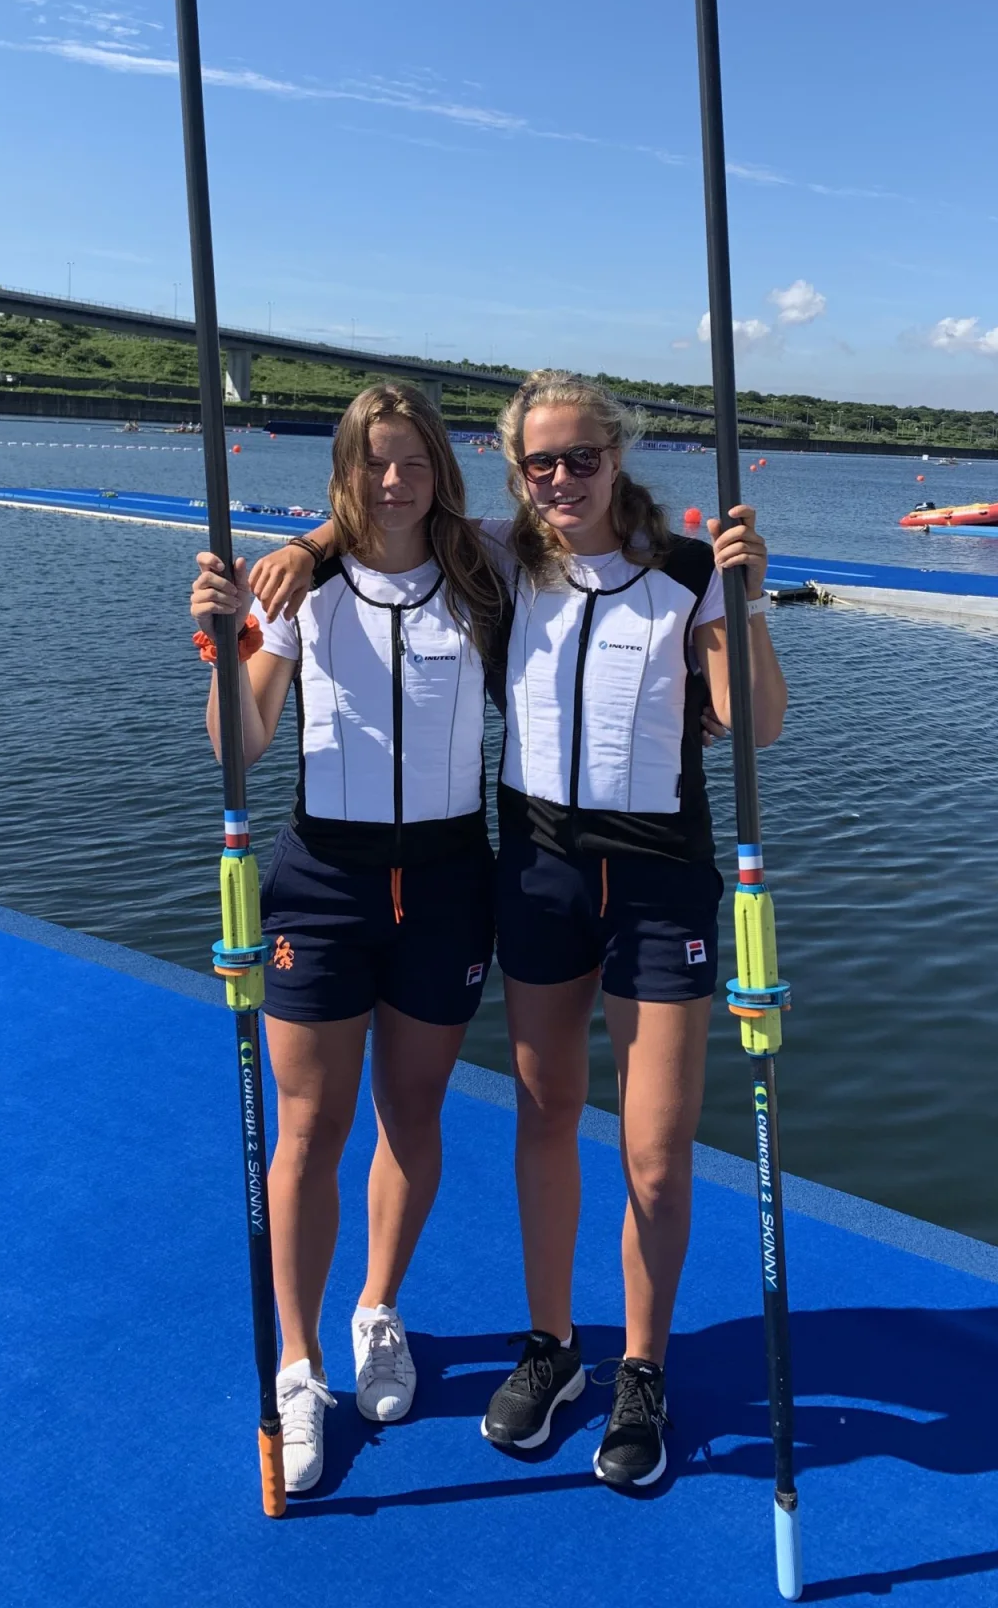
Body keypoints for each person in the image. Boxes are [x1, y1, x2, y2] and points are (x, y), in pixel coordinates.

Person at [251, 370, 786, 1493]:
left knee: (654, 1153)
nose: (561, 479)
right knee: (545, 1112)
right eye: (539, 463)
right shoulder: (500, 555)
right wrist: (301, 549)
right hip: (537, 874)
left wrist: (747, 602)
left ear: (618, 454)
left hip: (661, 883)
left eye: (581, 458)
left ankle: (642, 1369)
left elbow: (755, 723)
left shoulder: (689, 570)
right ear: (514, 474)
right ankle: (553, 1345)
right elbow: (384, 510)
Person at [190, 381, 505, 1496]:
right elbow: (240, 741)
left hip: (450, 880)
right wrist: (229, 640)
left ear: (441, 468)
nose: (394, 479)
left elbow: (587, 534)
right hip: (323, 883)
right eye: (373, 461)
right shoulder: (298, 589)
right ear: (345, 470)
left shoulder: (483, 566)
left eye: (413, 458)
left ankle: (378, 1309)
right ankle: (300, 1359)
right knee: (311, 1126)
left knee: (412, 1111)